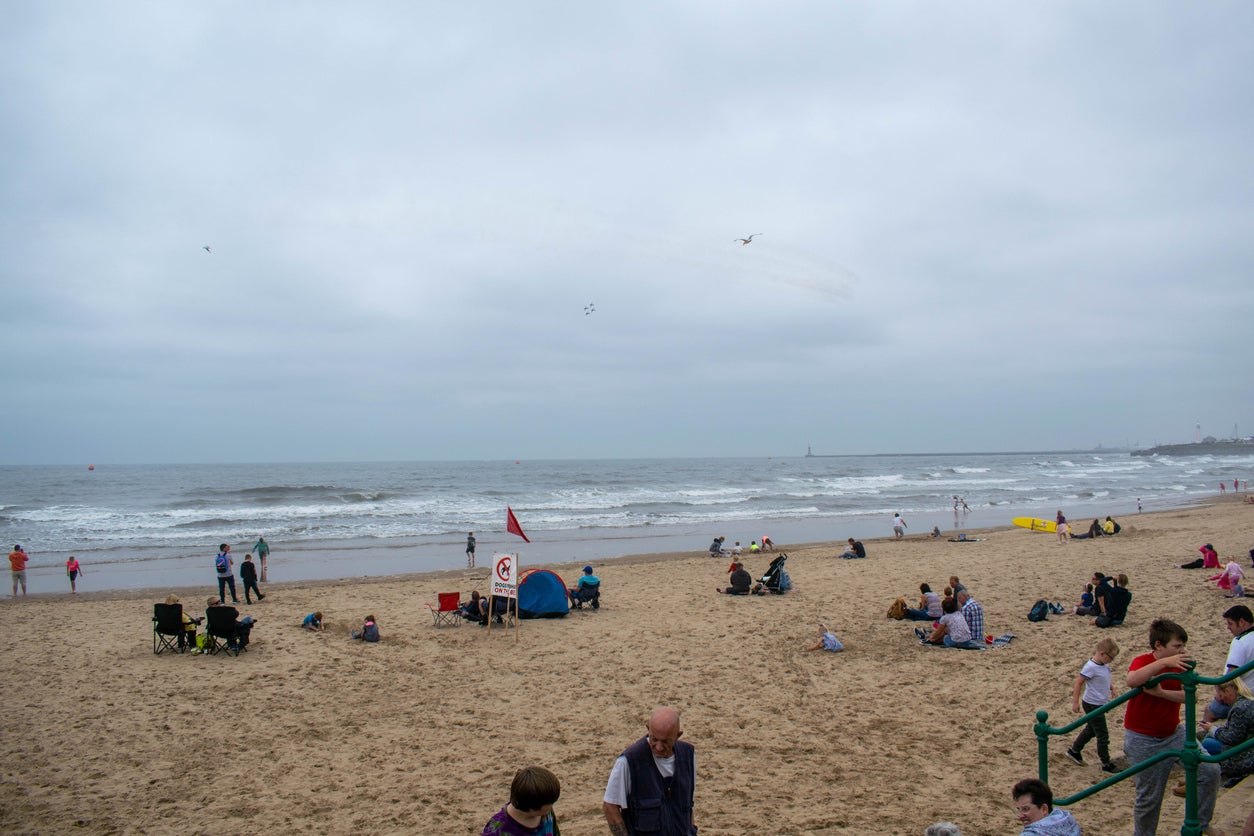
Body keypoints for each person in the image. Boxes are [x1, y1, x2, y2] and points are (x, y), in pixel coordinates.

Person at [1123, 618, 1220, 836]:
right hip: (1143, 738)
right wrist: (1164, 664)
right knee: (1149, 798)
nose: (1182, 651)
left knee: (1210, 770)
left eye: (1183, 646)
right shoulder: (1144, 660)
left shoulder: (1181, 667)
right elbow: (1132, 680)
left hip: (1173, 732)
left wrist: (1161, 693)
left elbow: (1188, 696)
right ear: (1159, 645)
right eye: (1177, 647)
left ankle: (1201, 823)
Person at [602, 706, 697, 836]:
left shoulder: (688, 756)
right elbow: (610, 806)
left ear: (678, 736)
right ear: (648, 729)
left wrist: (691, 830)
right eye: (654, 739)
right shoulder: (629, 761)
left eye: (665, 742)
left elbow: (688, 804)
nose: (658, 747)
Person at [1066, 637, 1121, 773]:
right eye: (1111, 657)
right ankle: (1106, 763)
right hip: (1092, 704)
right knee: (1102, 734)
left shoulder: (1104, 665)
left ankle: (1074, 751)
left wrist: (1112, 688)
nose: (1112, 661)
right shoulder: (1091, 667)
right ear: (1102, 654)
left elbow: (1105, 678)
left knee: (1091, 729)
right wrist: (1075, 702)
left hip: (1100, 703)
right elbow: (1079, 683)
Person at [1198, 679, 1254, 788]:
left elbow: (1233, 739)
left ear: (1228, 691)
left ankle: (1203, 779)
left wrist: (1212, 729)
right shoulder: (1247, 701)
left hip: (1247, 756)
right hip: (1248, 747)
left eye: (1220, 694)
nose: (1219, 699)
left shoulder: (1239, 708)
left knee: (1207, 744)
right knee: (1210, 737)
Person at [1204, 605, 1254, 723]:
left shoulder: (1240, 642)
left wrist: (1220, 693)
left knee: (1209, 712)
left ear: (1241, 622)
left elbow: (1232, 674)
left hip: (1243, 696)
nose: (1228, 628)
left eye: (1230, 624)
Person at [482, 765, 561, 835]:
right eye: (550, 804)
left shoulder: (544, 808)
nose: (551, 807)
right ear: (531, 807)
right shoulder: (497, 830)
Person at [1012, 778, 1081, 835]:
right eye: (1018, 809)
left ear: (1044, 809)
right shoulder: (1067, 821)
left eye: (1026, 809)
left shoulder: (1032, 834)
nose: (1020, 816)